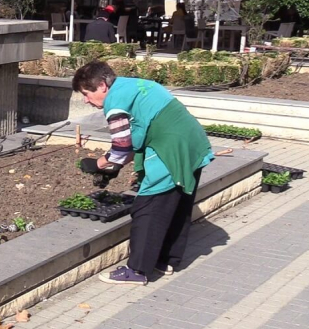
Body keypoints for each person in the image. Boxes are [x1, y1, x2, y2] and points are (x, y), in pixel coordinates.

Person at [72, 61, 214, 285]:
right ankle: (166, 260)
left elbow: (121, 147)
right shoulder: (131, 85)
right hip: (192, 143)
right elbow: (135, 139)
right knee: (177, 202)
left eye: (86, 94)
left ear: (102, 86)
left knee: (148, 207)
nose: (86, 100)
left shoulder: (114, 102)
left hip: (170, 148)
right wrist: (116, 166)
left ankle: (137, 270)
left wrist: (98, 164)